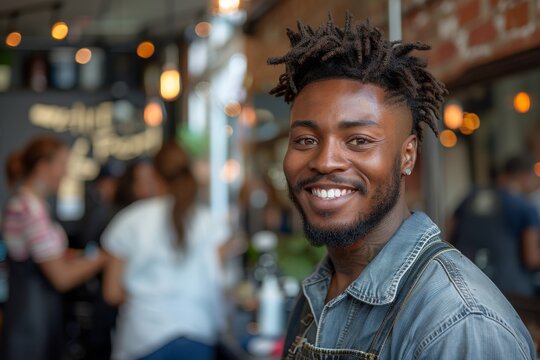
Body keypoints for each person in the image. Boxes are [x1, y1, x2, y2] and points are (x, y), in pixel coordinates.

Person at [267, 13, 537, 359]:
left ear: (407, 156)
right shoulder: (318, 290)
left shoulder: (460, 323)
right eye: (305, 140)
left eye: (359, 140)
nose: (324, 161)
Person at [101, 141, 230, 360]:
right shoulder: (211, 224)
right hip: (198, 333)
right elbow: (218, 284)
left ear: (154, 174)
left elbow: (112, 293)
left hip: (143, 337)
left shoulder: (129, 220)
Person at [1, 135, 106, 360]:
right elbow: (61, 277)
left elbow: (42, 255)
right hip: (31, 322)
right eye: (62, 165)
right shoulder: (29, 209)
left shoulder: (30, 204)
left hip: (32, 314)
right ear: (43, 166)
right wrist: (101, 259)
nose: (66, 173)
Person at [450, 155, 540, 296]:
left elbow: (448, 232)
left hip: (466, 284)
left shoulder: (472, 196)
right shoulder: (525, 206)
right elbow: (531, 258)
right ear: (524, 176)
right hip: (511, 291)